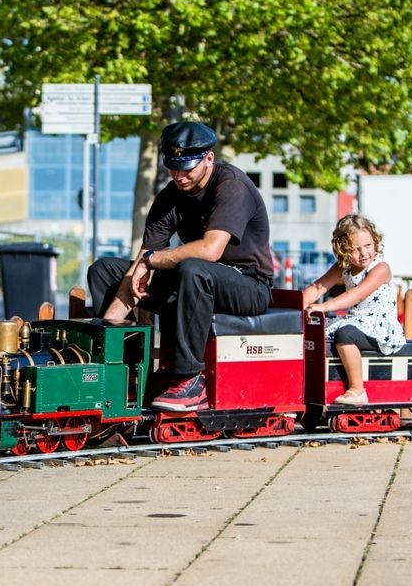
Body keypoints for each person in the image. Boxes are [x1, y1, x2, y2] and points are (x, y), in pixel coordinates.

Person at [87, 122, 274, 412]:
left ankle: (189, 379)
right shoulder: (170, 195)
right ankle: (118, 368)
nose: (179, 175)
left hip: (248, 285)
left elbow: (210, 250)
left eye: (187, 168)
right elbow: (141, 263)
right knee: (105, 269)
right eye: (173, 167)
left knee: (193, 268)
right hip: (193, 281)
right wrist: (109, 327)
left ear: (209, 158)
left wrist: (154, 261)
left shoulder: (232, 186)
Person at [300, 214, 406, 405]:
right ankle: (316, 388)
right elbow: (318, 287)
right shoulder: (343, 267)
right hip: (357, 321)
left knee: (345, 334)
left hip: (378, 326)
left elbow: (356, 294)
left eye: (368, 245)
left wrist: (323, 307)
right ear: (343, 250)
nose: (364, 253)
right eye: (355, 249)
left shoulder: (380, 268)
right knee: (316, 333)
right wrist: (296, 306)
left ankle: (357, 390)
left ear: (375, 241)